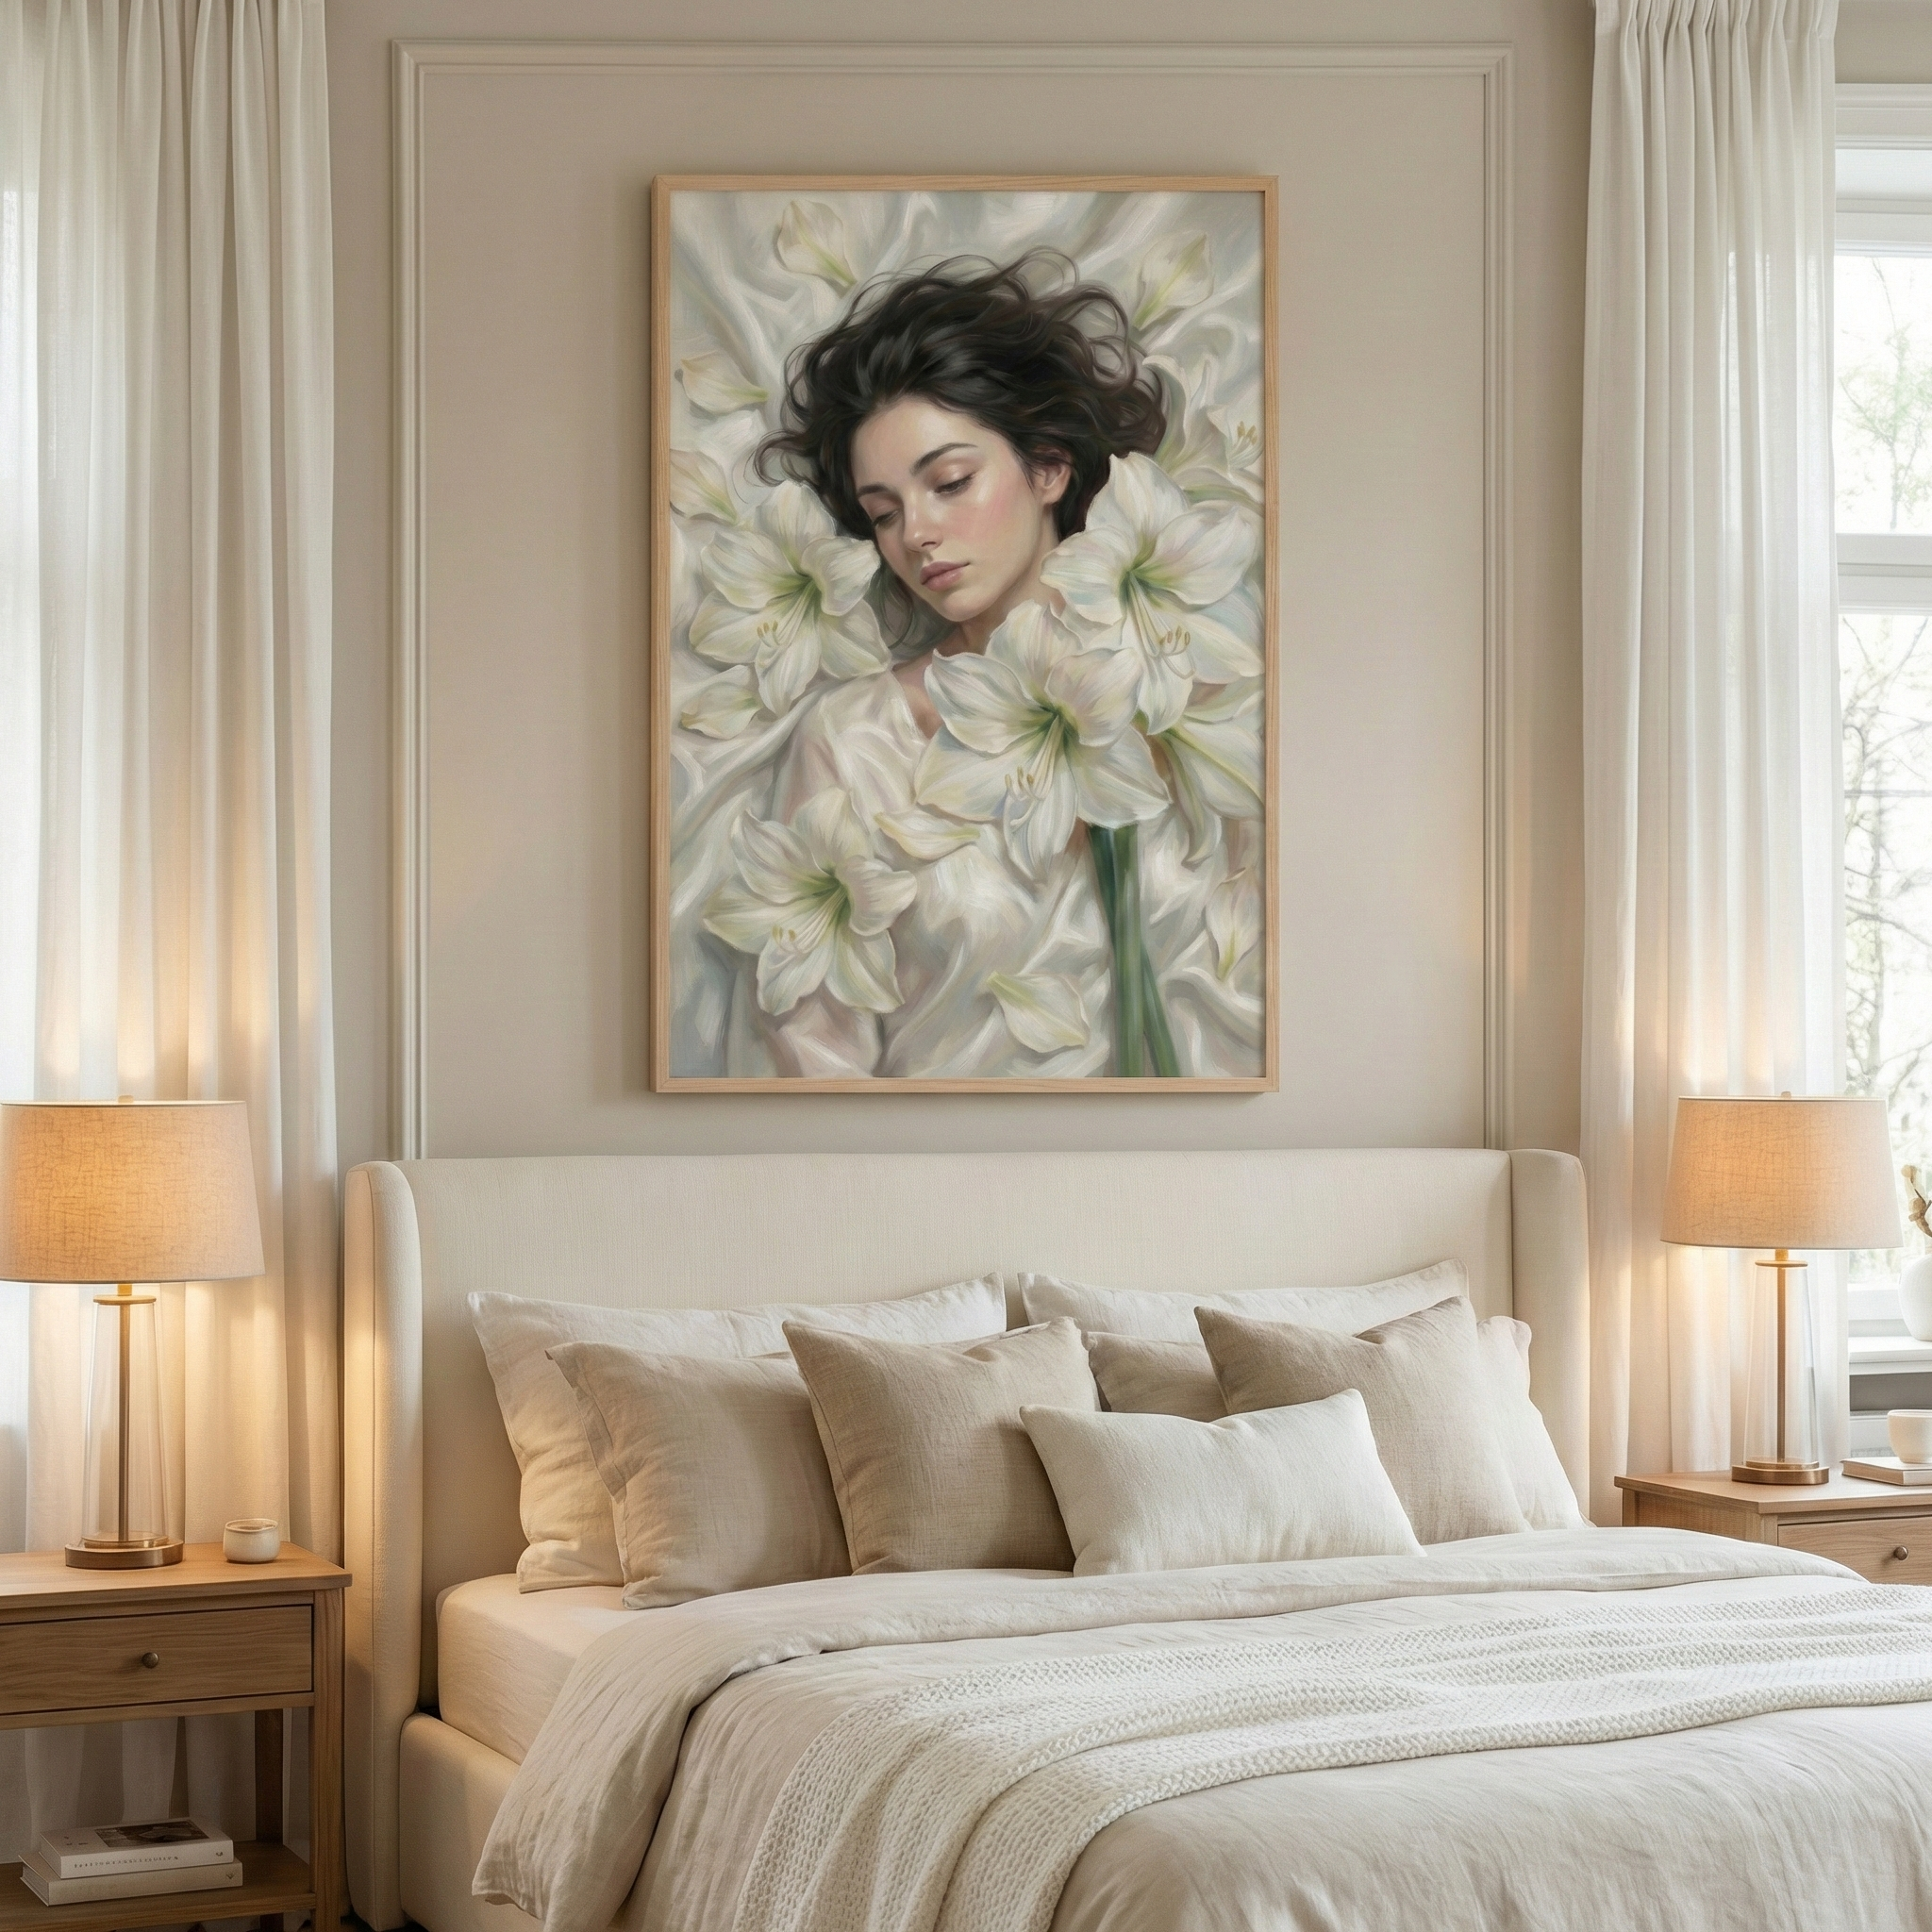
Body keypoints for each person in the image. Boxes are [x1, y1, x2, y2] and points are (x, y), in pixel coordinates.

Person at [700, 254, 1255, 1078]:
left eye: (950, 482)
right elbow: (815, 1051)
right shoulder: (854, 739)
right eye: (882, 513)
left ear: (1050, 466)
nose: (913, 534)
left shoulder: (1193, 691)